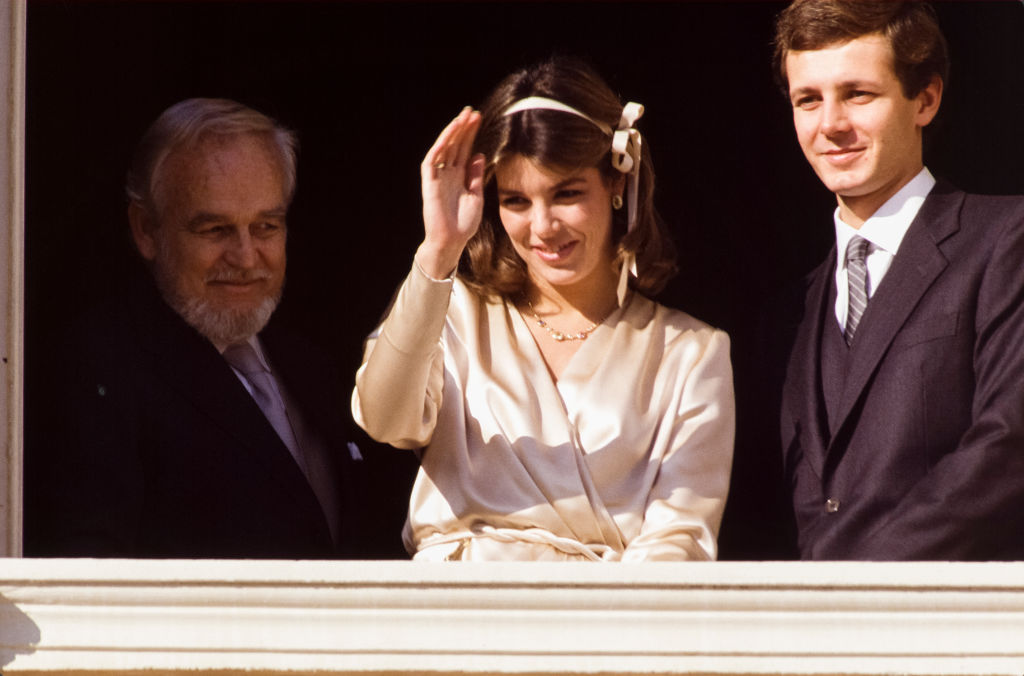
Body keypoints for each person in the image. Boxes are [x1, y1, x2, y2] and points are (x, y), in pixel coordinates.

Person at [351, 57, 734, 561]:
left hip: (599, 628)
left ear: (617, 183)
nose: (543, 226)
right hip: (451, 619)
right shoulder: (453, 312)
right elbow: (383, 420)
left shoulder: (690, 353)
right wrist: (439, 250)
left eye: (567, 194)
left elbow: (678, 542)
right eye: (515, 201)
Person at [25, 98, 412, 559]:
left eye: (266, 226)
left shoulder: (313, 368)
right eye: (215, 230)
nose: (246, 258)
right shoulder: (96, 370)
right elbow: (84, 589)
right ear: (146, 229)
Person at [773, 0, 1024, 559]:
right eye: (808, 100)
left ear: (925, 99)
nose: (831, 124)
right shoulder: (801, 300)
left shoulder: (1006, 238)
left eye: (858, 94)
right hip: (825, 630)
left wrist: (860, 578)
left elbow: (1009, 444)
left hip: (965, 624)